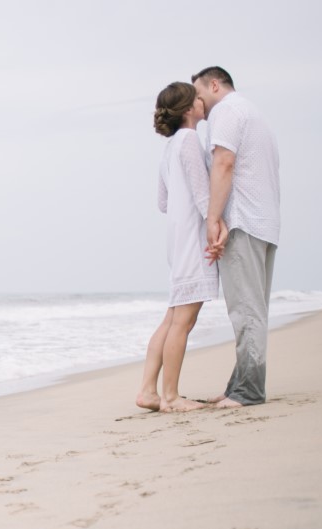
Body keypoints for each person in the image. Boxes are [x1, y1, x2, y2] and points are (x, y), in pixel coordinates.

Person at [192, 66, 281, 407]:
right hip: (265, 222)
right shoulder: (252, 111)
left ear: (214, 85)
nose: (198, 105)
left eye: (199, 95)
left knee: (246, 311)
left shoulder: (226, 111)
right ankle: (238, 385)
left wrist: (213, 218)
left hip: (244, 222)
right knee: (252, 309)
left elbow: (224, 163)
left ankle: (249, 391)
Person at [137, 81, 220, 413]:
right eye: (198, 99)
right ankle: (170, 396)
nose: (203, 103)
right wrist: (216, 226)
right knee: (183, 320)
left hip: (176, 236)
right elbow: (202, 194)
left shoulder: (169, 146)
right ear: (189, 109)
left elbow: (162, 202)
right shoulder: (188, 139)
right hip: (192, 238)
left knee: (173, 317)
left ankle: (148, 391)